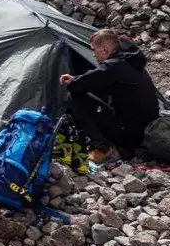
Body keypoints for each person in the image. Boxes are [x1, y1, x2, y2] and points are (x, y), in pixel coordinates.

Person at [60, 29, 160, 162]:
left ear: (105, 49)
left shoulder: (112, 66)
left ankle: (104, 148)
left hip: (131, 136)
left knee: (75, 97)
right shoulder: (130, 60)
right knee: (96, 92)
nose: (93, 54)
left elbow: (77, 86)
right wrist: (77, 79)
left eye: (94, 50)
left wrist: (72, 81)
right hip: (147, 130)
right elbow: (94, 80)